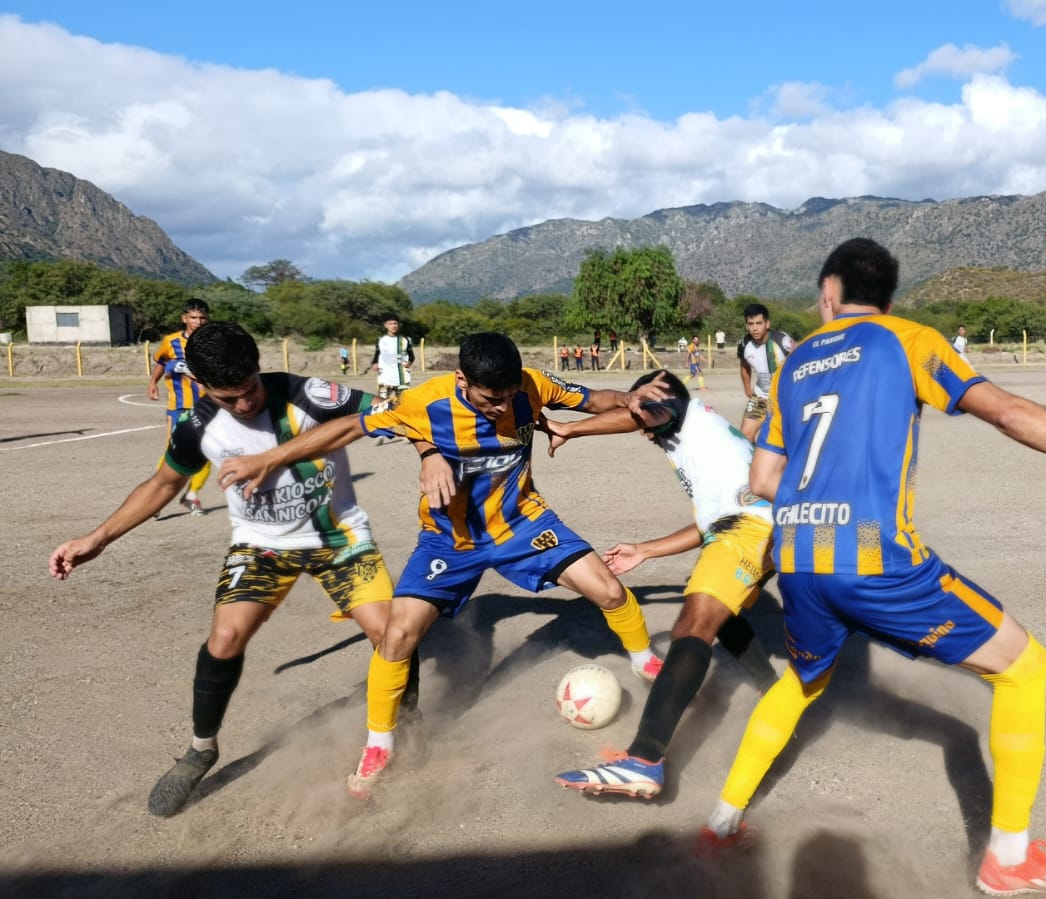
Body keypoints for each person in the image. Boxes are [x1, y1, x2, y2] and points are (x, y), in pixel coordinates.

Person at [697, 239, 1046, 896]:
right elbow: (1007, 412)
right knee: (1025, 667)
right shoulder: (907, 339)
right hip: (870, 552)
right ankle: (1006, 858)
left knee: (804, 681)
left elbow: (763, 478)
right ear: (887, 297)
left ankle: (720, 823)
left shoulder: (795, 364)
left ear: (828, 295)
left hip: (797, 554)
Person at [218, 333, 670, 800]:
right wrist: (270, 457)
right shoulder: (424, 403)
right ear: (461, 379)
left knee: (608, 589)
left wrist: (630, 398)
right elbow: (348, 427)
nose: (502, 407)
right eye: (490, 399)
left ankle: (645, 662)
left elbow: (594, 399)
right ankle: (380, 747)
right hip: (449, 541)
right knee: (397, 636)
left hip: (521, 523)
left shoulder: (531, 385)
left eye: (509, 396)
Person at [50, 321, 414, 817]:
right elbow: (162, 486)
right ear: (200, 383)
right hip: (261, 546)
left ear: (258, 368)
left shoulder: (308, 394)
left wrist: (274, 456)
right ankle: (201, 749)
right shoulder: (197, 426)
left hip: (339, 541)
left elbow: (395, 414)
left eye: (250, 389)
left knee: (391, 634)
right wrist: (97, 538)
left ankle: (404, 725)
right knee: (224, 639)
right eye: (229, 397)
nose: (244, 404)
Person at [550, 370, 779, 799]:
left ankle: (643, 760)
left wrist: (572, 429)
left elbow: (738, 516)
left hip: (751, 529)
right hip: (743, 527)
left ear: (665, 406)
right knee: (718, 612)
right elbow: (711, 521)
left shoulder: (696, 425)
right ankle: (775, 693)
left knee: (694, 623)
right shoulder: (690, 434)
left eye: (644, 411)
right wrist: (646, 550)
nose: (639, 423)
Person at [147, 298, 213, 515]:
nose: (198, 322)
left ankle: (191, 496)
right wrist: (153, 382)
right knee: (173, 451)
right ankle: (156, 499)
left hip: (207, 406)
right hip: (179, 406)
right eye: (194, 317)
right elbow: (161, 362)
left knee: (208, 450)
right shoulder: (171, 341)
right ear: (184, 318)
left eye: (202, 317)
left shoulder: (213, 341)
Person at [736, 303, 796, 441]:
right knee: (744, 436)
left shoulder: (783, 341)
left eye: (759, 323)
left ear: (767, 323)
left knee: (787, 438)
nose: (755, 328)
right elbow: (744, 365)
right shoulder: (744, 344)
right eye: (751, 324)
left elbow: (799, 363)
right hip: (761, 397)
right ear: (746, 326)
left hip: (783, 398)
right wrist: (747, 387)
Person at [368, 313, 414, 404]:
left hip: (402, 379)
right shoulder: (381, 339)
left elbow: (411, 356)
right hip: (385, 378)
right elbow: (377, 353)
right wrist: (374, 364)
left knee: (403, 404)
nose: (393, 326)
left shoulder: (406, 339)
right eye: (390, 324)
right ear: (386, 325)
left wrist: (409, 362)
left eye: (395, 323)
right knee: (382, 404)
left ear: (398, 325)